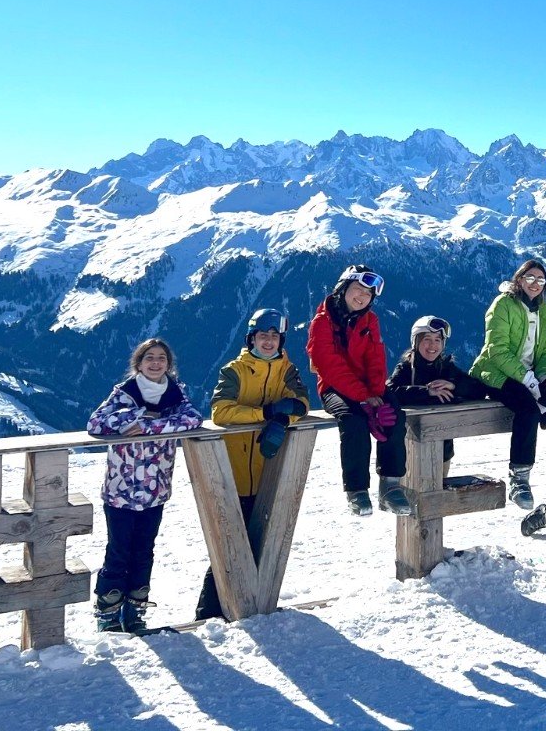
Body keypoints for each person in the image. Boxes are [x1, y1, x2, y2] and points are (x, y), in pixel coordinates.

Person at [193, 309, 309, 621]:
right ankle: (208, 613)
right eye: (263, 336)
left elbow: (302, 403)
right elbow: (221, 412)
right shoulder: (234, 371)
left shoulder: (288, 370)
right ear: (252, 338)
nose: (269, 341)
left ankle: (250, 607)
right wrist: (268, 414)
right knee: (233, 543)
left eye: (274, 337)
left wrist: (284, 418)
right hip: (233, 473)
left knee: (263, 541)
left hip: (270, 474)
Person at [86, 338, 203, 633]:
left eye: (161, 358)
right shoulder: (124, 393)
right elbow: (96, 423)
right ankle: (108, 612)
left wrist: (148, 425)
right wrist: (138, 417)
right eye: (149, 357)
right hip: (120, 491)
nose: (155, 362)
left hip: (154, 490)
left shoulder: (176, 394)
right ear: (138, 364)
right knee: (118, 550)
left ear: (168, 364)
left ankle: (135, 609)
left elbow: (193, 420)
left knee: (144, 551)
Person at [305, 264, 413, 517]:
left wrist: (377, 394)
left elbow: (376, 359)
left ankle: (391, 485)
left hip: (368, 387)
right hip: (334, 387)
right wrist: (364, 399)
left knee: (394, 416)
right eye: (357, 289)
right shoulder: (322, 322)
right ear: (343, 289)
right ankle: (357, 491)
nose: (362, 297)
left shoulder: (369, 320)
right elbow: (328, 366)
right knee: (353, 422)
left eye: (368, 294)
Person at [470, 259, 546, 510]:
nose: (535, 284)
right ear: (519, 279)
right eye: (530, 278)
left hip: (529, 375)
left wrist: (545, 377)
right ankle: (519, 479)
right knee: (528, 410)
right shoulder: (503, 304)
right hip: (495, 372)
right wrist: (528, 381)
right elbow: (496, 350)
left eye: (541, 280)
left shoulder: (542, 310)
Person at [387, 314, 490, 479]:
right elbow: (390, 392)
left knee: (438, 490)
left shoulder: (447, 368)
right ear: (416, 342)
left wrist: (454, 386)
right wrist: (426, 391)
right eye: (427, 339)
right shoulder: (406, 369)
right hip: (410, 445)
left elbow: (479, 389)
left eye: (438, 340)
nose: (432, 345)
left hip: (443, 448)